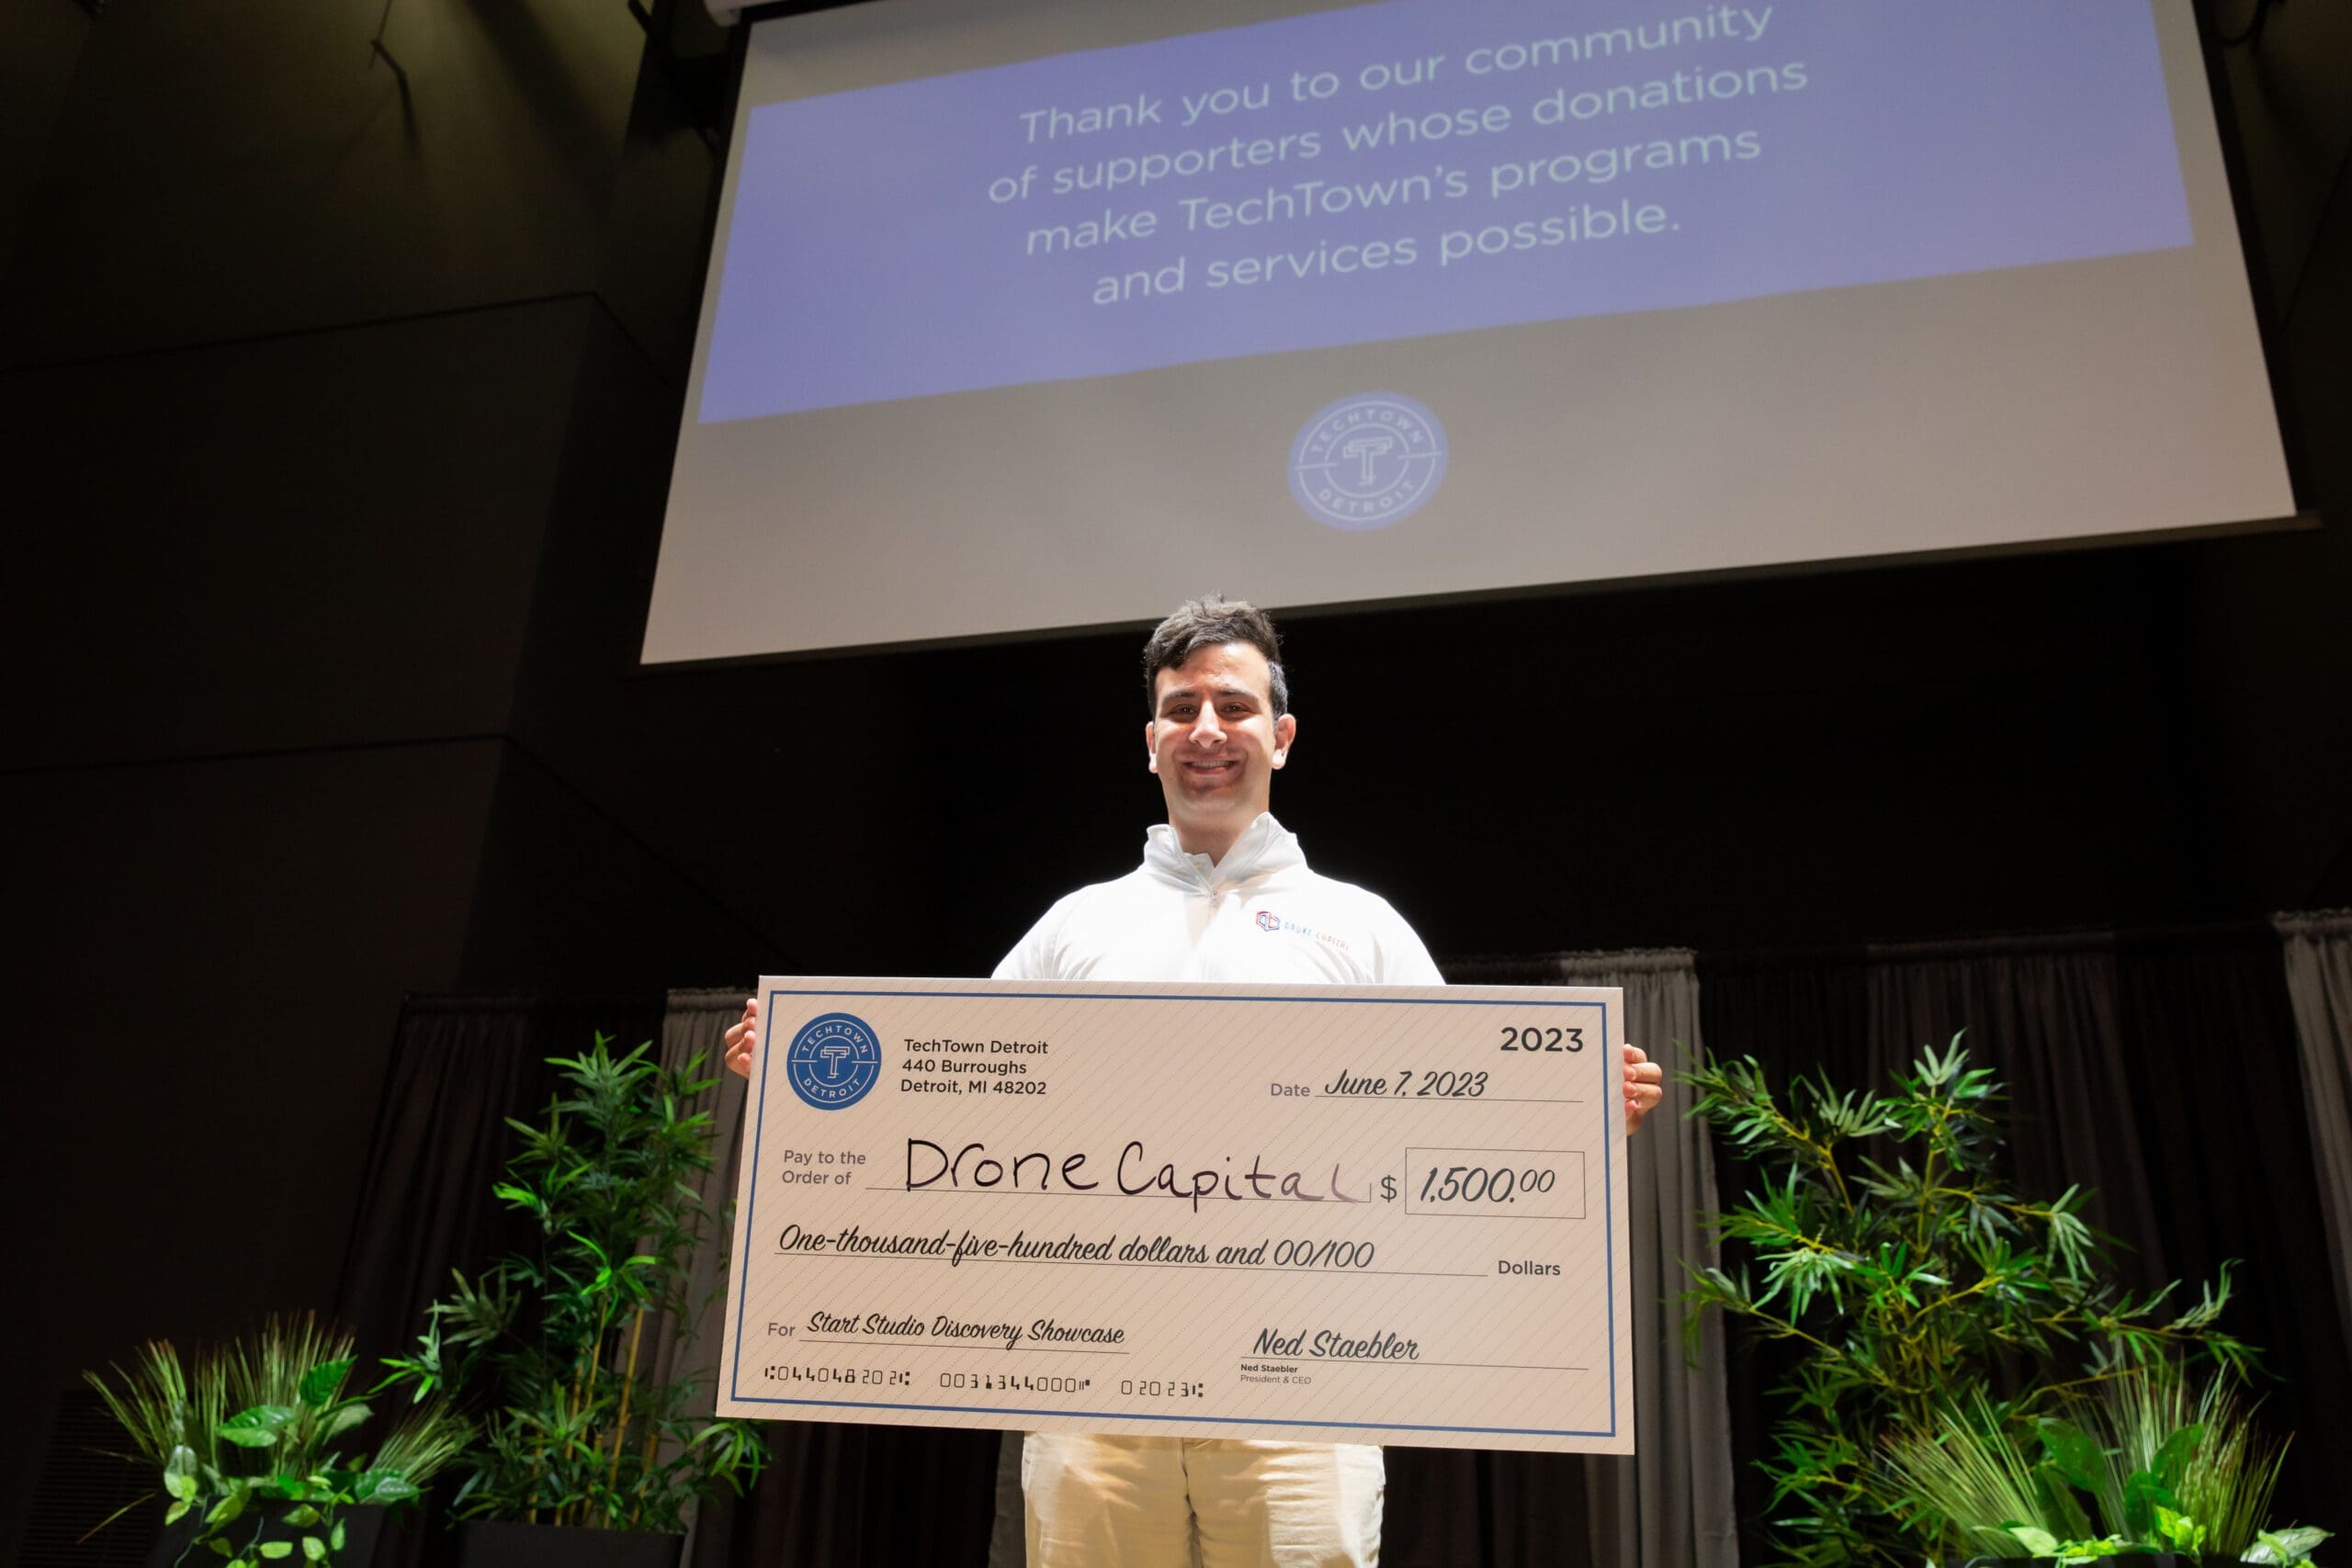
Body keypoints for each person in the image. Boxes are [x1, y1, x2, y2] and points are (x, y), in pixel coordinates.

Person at [725, 595, 1665, 1568]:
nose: (1207, 731)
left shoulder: (1362, 928)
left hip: (1306, 1386)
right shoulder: (1071, 928)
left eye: (1234, 706)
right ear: (1150, 740)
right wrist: (803, 1083)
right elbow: (953, 1115)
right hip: (1091, 1388)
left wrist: (1572, 1120)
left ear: (1281, 735)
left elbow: (1453, 1125)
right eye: (1180, 710)